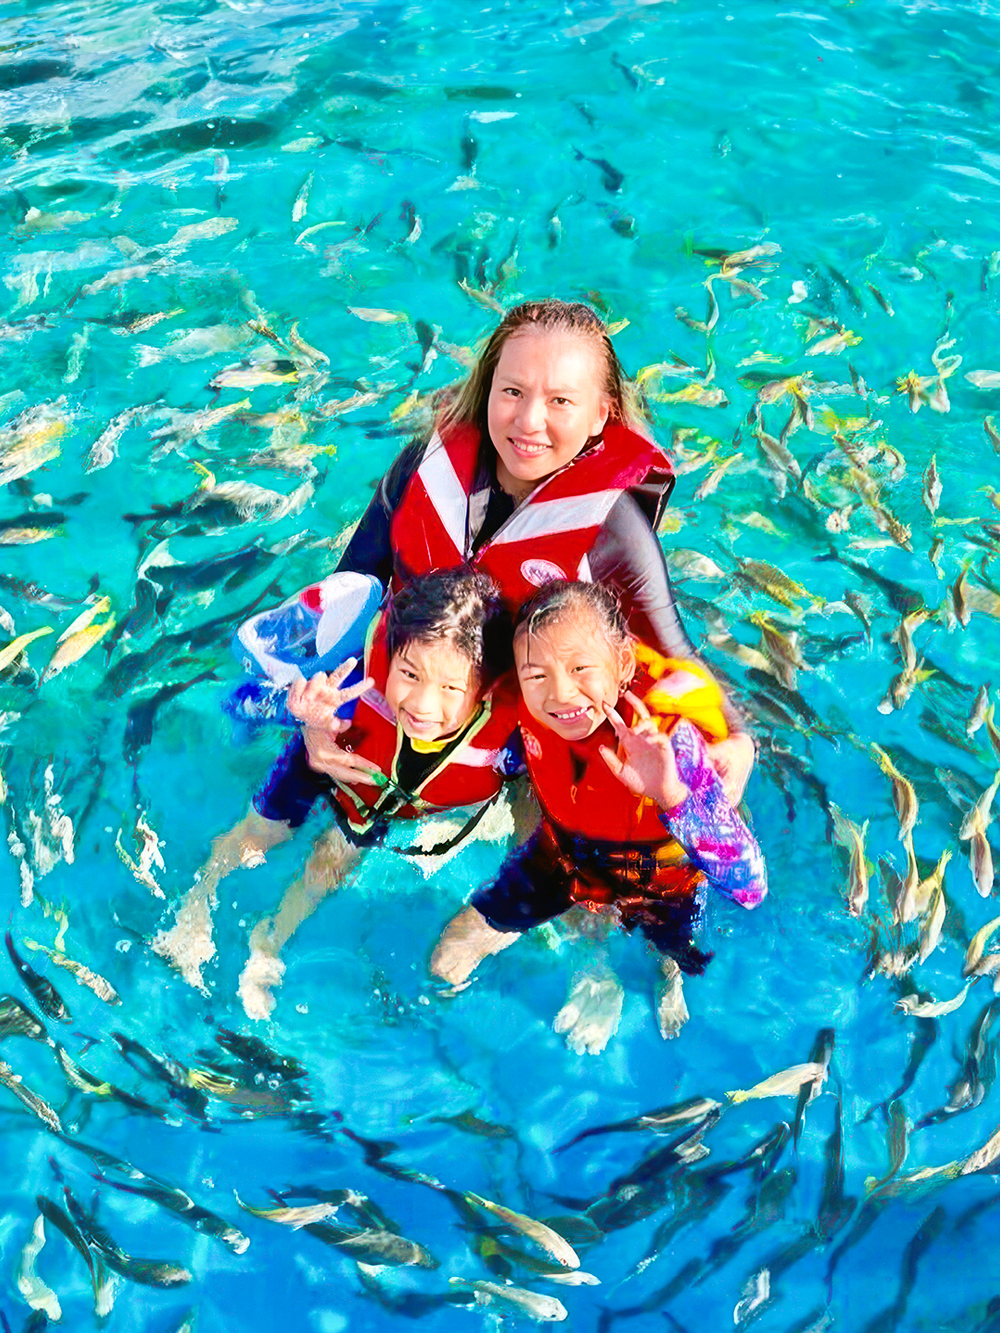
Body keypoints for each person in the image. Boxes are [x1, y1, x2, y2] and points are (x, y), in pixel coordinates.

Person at [305, 298, 755, 805]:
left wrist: (739, 742)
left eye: (560, 401)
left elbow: (677, 654)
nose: (528, 421)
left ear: (599, 415)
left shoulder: (614, 531)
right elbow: (345, 593)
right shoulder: (424, 466)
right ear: (489, 388)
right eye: (512, 392)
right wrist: (314, 721)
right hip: (397, 702)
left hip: (512, 758)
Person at [153, 570, 520, 1018]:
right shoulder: (350, 686)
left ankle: (268, 943)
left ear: (486, 690)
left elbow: (539, 805)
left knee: (330, 865)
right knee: (255, 839)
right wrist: (301, 713)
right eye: (409, 674)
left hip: (383, 805)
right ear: (390, 657)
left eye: (449, 689)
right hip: (320, 759)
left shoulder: (507, 745)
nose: (423, 705)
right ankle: (196, 906)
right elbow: (244, 699)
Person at [430, 582, 767, 1051]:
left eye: (579, 668)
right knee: (446, 961)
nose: (561, 693)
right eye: (537, 675)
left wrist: (671, 794)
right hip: (565, 851)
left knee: (670, 949)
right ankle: (594, 972)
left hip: (661, 879)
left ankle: (667, 976)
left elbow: (750, 887)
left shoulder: (672, 741)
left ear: (623, 663)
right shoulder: (520, 707)